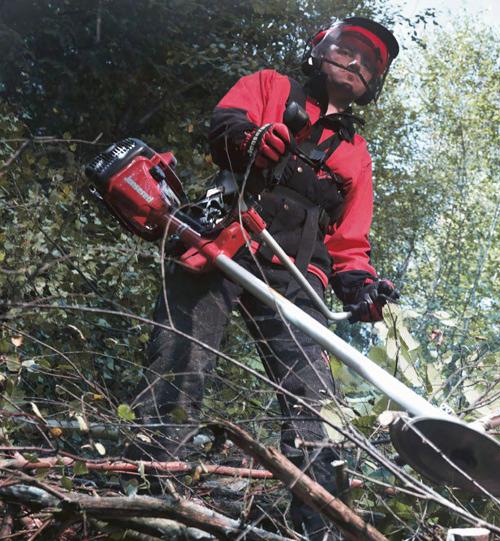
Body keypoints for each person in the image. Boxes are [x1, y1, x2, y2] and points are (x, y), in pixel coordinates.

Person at [127, 17, 400, 540]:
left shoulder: (356, 155)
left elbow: (350, 242)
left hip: (297, 276)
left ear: (375, 82)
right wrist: (252, 140)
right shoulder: (270, 86)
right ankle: (148, 491)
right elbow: (224, 127)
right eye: (351, 50)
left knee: (311, 398)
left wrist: (361, 287)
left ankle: (320, 524)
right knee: (180, 357)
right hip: (222, 241)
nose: (358, 63)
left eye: (371, 62)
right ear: (323, 50)